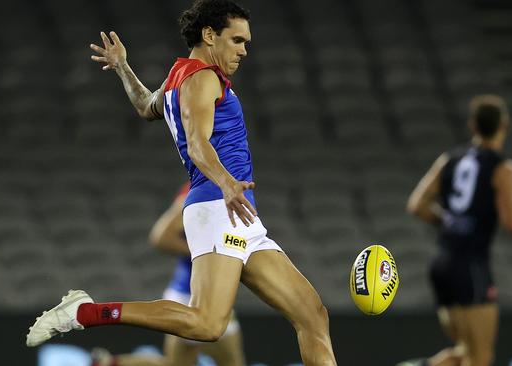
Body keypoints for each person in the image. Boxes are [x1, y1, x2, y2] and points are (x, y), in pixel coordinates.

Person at [26, 1, 337, 365]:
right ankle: (86, 313)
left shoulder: (180, 77)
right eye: (237, 40)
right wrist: (227, 183)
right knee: (207, 324)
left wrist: (123, 68)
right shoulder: (201, 78)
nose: (244, 50)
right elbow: (197, 143)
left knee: (311, 314)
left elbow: (146, 106)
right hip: (217, 205)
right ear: (209, 35)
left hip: (236, 212)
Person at [402, 95, 512, 366]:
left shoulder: (450, 160)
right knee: (480, 357)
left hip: (442, 264)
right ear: (505, 125)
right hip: (471, 265)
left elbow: (417, 204)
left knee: (465, 352)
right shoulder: (504, 168)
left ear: (473, 126)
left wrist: (450, 221)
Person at [90, 182, 246, 366]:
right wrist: (211, 254)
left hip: (193, 292)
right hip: (198, 294)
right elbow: (161, 237)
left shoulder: (226, 185)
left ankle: (112, 363)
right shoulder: (205, 187)